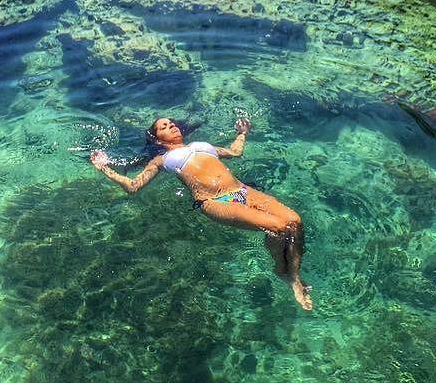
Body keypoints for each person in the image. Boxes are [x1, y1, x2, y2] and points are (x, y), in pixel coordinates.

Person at [90, 116, 312, 310]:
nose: (172, 126)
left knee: (294, 221)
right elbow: (133, 186)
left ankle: (292, 273)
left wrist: (242, 133)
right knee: (278, 227)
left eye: (172, 123)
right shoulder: (161, 160)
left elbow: (235, 152)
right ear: (157, 139)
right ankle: (286, 274)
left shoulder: (203, 145)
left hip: (242, 190)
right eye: (164, 126)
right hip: (213, 200)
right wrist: (104, 168)